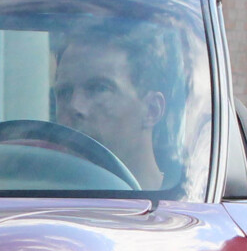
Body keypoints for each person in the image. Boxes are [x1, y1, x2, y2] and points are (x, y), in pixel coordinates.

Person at [53, 28, 181, 190]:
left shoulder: (189, 204)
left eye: (99, 88)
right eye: (64, 92)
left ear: (152, 110)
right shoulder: (33, 197)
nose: (75, 106)